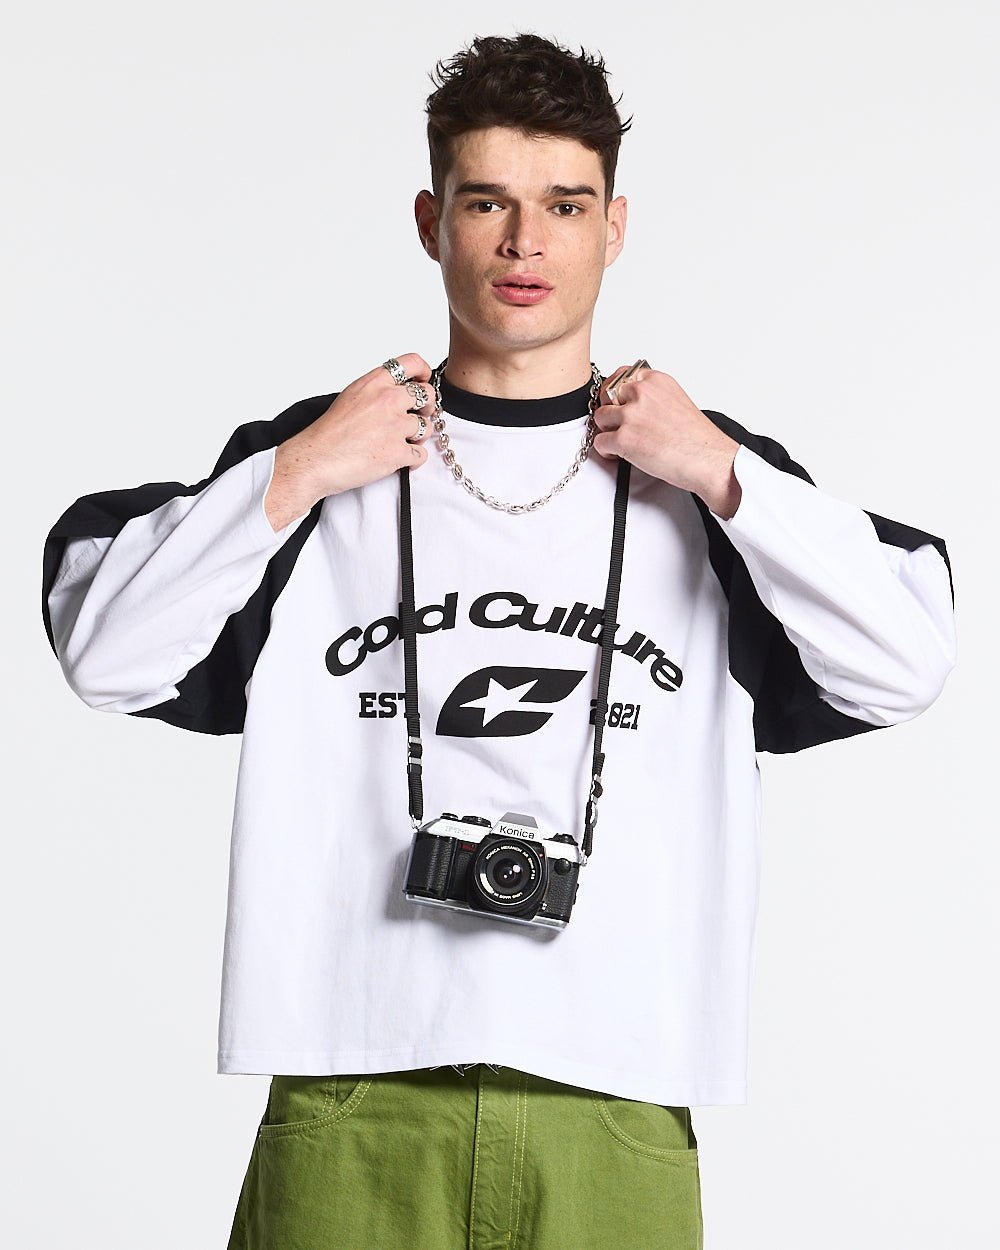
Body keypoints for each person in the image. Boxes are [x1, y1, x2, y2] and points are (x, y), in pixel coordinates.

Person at [40, 31, 956, 1250]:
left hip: (616, 1089)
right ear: (433, 222)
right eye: (488, 202)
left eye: (564, 205)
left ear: (612, 228)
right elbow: (105, 652)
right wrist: (300, 466)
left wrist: (722, 470)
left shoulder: (709, 483)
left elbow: (907, 661)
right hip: (351, 1081)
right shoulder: (315, 463)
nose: (526, 241)